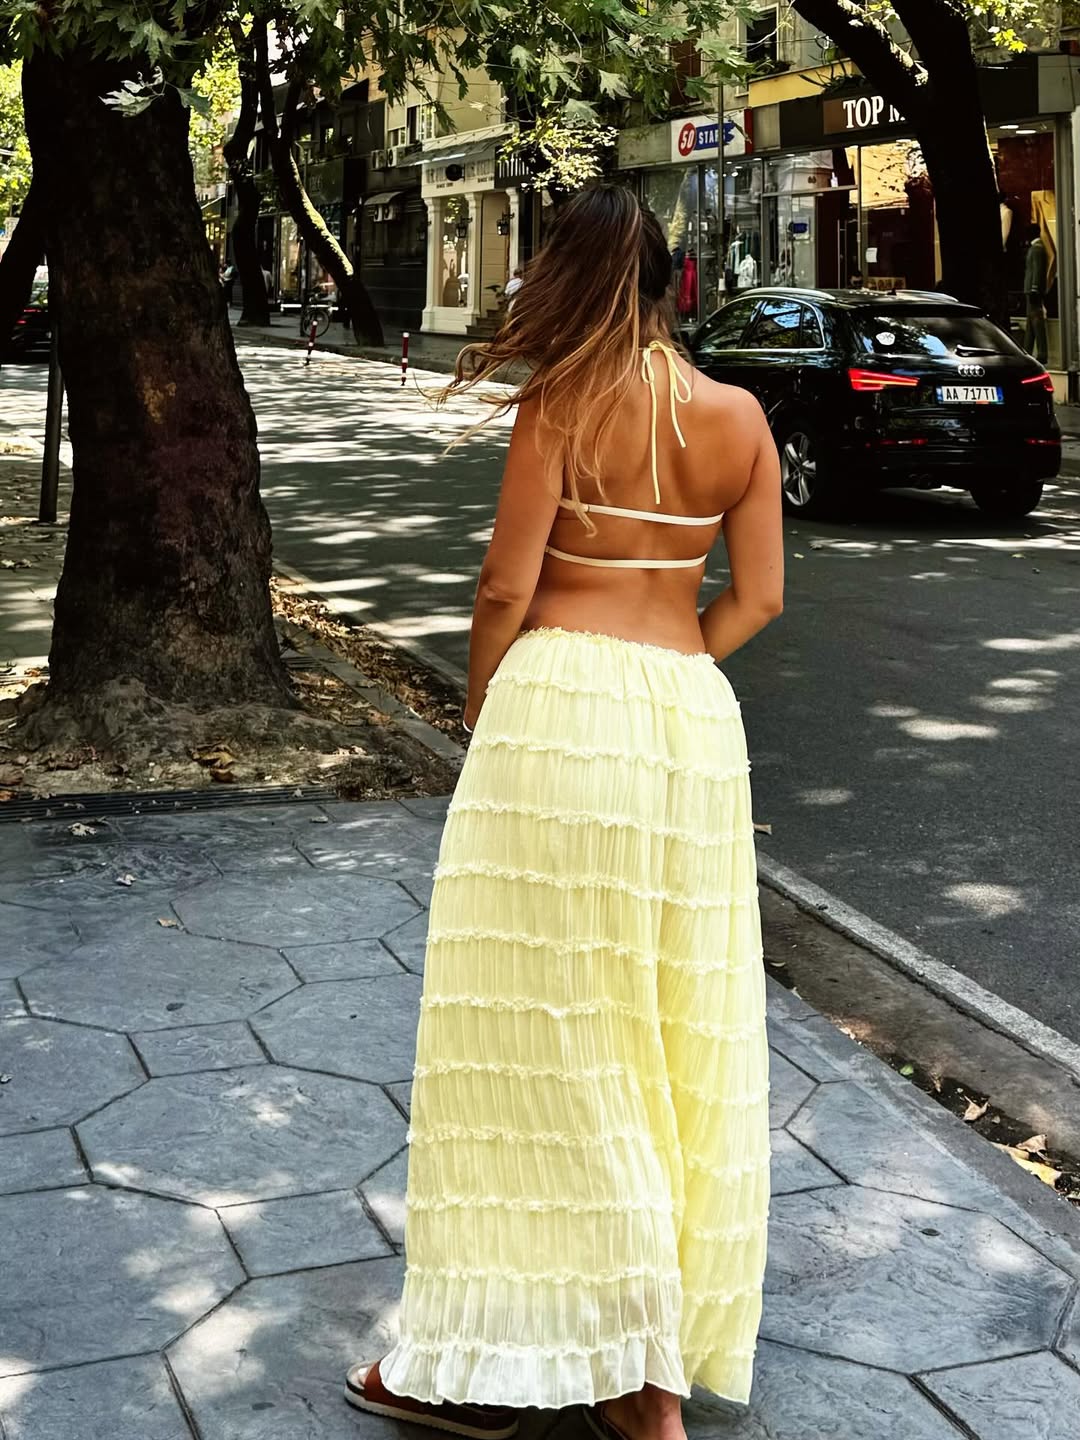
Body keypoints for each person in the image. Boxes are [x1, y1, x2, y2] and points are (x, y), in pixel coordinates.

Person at [345, 184, 783, 1439]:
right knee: (670, 1020)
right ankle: (649, 1385)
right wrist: (671, 661)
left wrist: (492, 713)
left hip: (557, 711)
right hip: (689, 724)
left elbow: (502, 586)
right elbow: (758, 599)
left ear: (577, 278)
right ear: (672, 282)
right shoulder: (740, 416)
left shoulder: (561, 403)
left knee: (537, 1032)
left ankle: (476, 1367)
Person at [1023, 223, 1049, 366]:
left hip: (1033, 291)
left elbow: (1038, 270)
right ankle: (1027, 351)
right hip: (1031, 290)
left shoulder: (1037, 249)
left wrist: (1034, 288)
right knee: (1031, 323)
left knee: (1037, 323)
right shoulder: (1035, 248)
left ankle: (1042, 353)